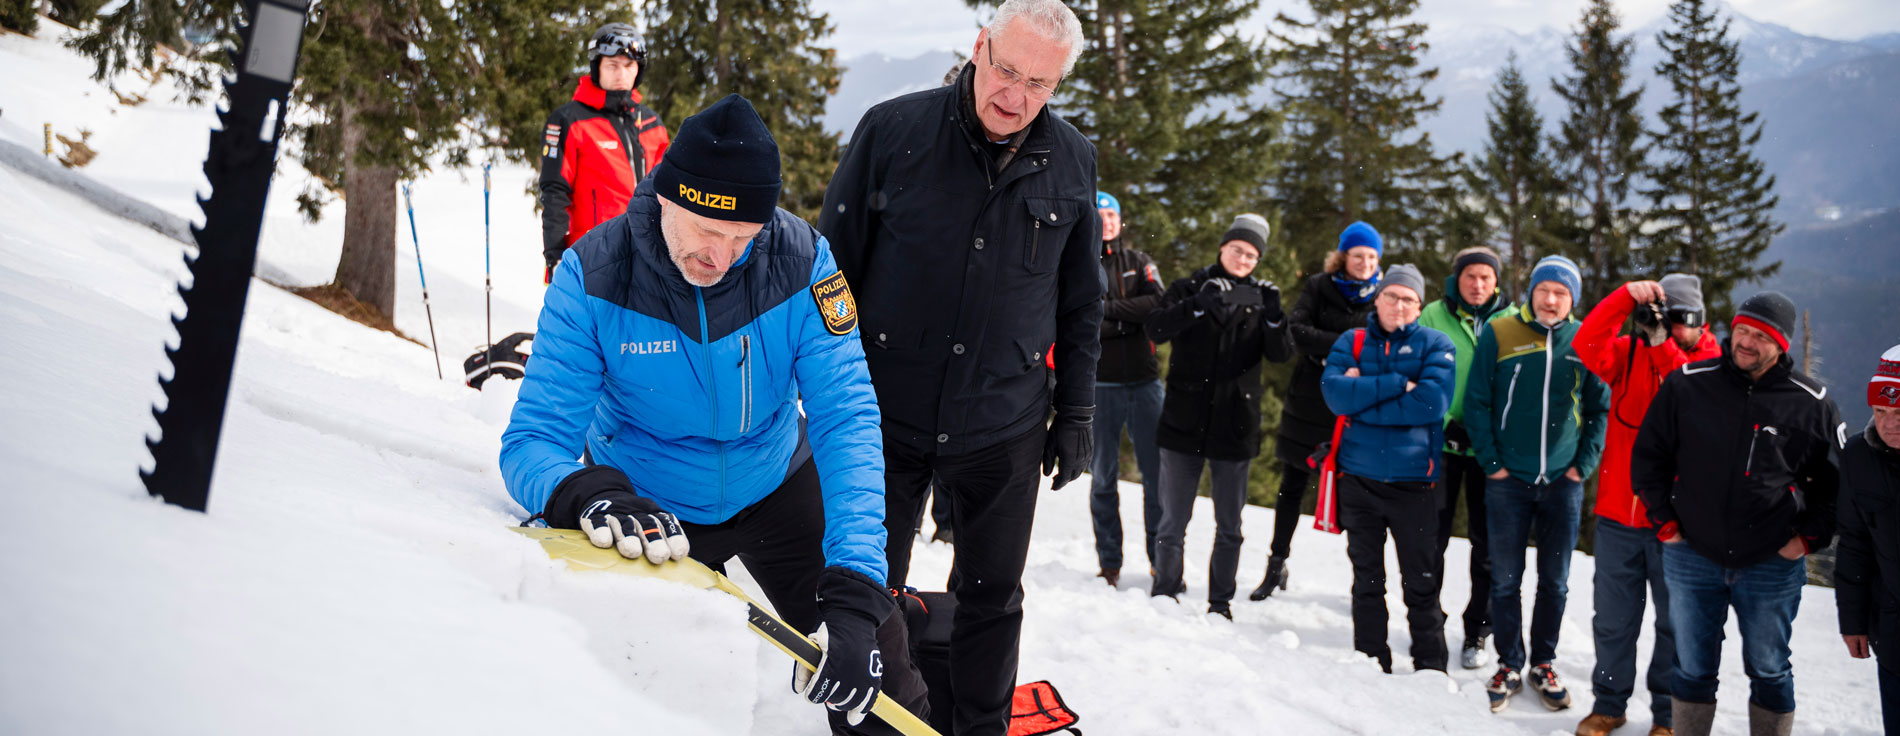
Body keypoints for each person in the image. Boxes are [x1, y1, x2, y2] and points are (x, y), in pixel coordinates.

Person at [500, 95, 924, 735]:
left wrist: (858, 588)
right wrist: (587, 494)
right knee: (641, 686)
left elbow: (848, 418)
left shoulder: (802, 263)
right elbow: (533, 441)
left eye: (740, 238)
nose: (720, 256)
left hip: (776, 482)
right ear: (667, 195)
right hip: (648, 505)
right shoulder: (593, 274)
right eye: (705, 230)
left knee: (879, 666)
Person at [816, 1, 1101, 732]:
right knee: (869, 583)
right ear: (980, 47)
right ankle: (874, 720)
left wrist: (1075, 413)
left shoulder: (1072, 158)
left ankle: (980, 725)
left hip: (1003, 423)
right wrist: (822, 392)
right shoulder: (893, 131)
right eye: (1007, 70)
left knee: (993, 595)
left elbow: (1080, 302)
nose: (1016, 96)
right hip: (887, 413)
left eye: (1041, 84)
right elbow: (830, 276)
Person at [1632, 292, 1846, 736]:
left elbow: (1837, 487)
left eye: (1760, 336)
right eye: (1742, 330)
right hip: (1693, 553)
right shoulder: (1689, 382)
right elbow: (1649, 456)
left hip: (1771, 560)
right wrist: (1665, 522)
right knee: (1691, 666)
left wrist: (1806, 540)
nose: (1746, 342)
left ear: (1781, 345)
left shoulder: (1810, 402)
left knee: (1769, 668)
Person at [1570, 274, 1721, 736]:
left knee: (1676, 627)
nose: (1673, 328)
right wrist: (1624, 298)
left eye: (1683, 320)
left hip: (1679, 525)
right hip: (1619, 515)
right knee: (1613, 622)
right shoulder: (1630, 352)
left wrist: (1660, 344)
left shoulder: (1713, 361)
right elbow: (1586, 343)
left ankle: (1668, 717)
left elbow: (1690, 396)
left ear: (1702, 321)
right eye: (1665, 318)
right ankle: (1609, 704)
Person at [1467, 255, 1609, 714]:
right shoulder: (1502, 331)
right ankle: (1510, 663)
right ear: (1530, 291)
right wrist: (1493, 464)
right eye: (1544, 289)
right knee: (1505, 579)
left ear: (1573, 299)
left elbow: (1599, 407)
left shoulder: (1585, 339)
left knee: (1557, 583)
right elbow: (1477, 401)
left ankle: (1543, 663)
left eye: (1561, 293)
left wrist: (1581, 466)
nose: (1551, 299)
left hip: (1563, 483)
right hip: (1508, 480)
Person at [1146, 214, 1293, 617]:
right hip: (1183, 420)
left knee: (1230, 526)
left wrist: (1276, 318)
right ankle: (1166, 588)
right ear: (1223, 247)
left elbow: (1281, 354)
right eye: (1237, 250)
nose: (1243, 259)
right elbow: (1155, 329)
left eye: (1251, 255)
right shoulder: (1190, 287)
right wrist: (1196, 306)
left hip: (1235, 425)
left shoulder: (1262, 298)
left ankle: (1219, 601)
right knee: (1173, 520)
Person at [1319, 264, 1456, 673]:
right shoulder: (1353, 341)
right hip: (1358, 481)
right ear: (1377, 299)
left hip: (1414, 484)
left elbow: (1432, 403)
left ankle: (1430, 664)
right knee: (1367, 580)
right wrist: (1398, 383)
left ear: (1419, 307)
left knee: (1421, 581)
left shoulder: (1436, 343)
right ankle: (1371, 658)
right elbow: (1334, 395)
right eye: (1392, 296)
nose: (1399, 305)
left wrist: (1364, 394)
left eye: (1409, 299)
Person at [1252, 221, 1383, 600]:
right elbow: (1297, 333)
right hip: (1309, 403)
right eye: (1358, 255)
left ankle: (1365, 584)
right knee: (1291, 488)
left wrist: (1331, 352)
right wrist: (1347, 350)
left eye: (1372, 256)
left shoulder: (1385, 295)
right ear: (1343, 257)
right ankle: (1276, 564)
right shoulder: (1319, 288)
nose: (1365, 262)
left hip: (1357, 410)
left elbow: (1384, 346)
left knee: (1359, 499)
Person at [1415, 246, 1519, 669]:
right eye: (1470, 276)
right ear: (1455, 279)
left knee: (1488, 547)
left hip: (1490, 452)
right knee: (1430, 541)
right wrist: (1442, 422)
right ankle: (1428, 622)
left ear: (1497, 282)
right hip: (1439, 447)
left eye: (1486, 278)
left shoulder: (1513, 321)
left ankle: (1478, 629)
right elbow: (1415, 375)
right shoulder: (1432, 316)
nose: (1477, 285)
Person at [538, 22, 671, 284]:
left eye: (629, 66)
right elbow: (555, 191)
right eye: (612, 65)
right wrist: (555, 255)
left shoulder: (652, 123)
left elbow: (668, 191)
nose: (621, 74)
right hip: (592, 255)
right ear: (596, 66)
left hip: (648, 255)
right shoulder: (569, 120)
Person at [1089, 190, 1166, 588]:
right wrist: (1127, 318)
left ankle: (1159, 559)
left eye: (1112, 214)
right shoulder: (1080, 262)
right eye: (1099, 214)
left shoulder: (1139, 262)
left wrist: (1110, 312)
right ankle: (1110, 561)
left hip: (1145, 384)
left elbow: (1157, 303)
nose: (1106, 220)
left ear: (1120, 221)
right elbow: (1082, 318)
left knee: (1156, 478)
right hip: (1100, 385)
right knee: (1103, 478)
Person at [1837, 345, 1900, 734]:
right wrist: (1853, 620)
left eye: (1899, 414)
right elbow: (1855, 541)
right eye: (1880, 412)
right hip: (1893, 631)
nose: (1888, 424)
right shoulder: (1859, 455)